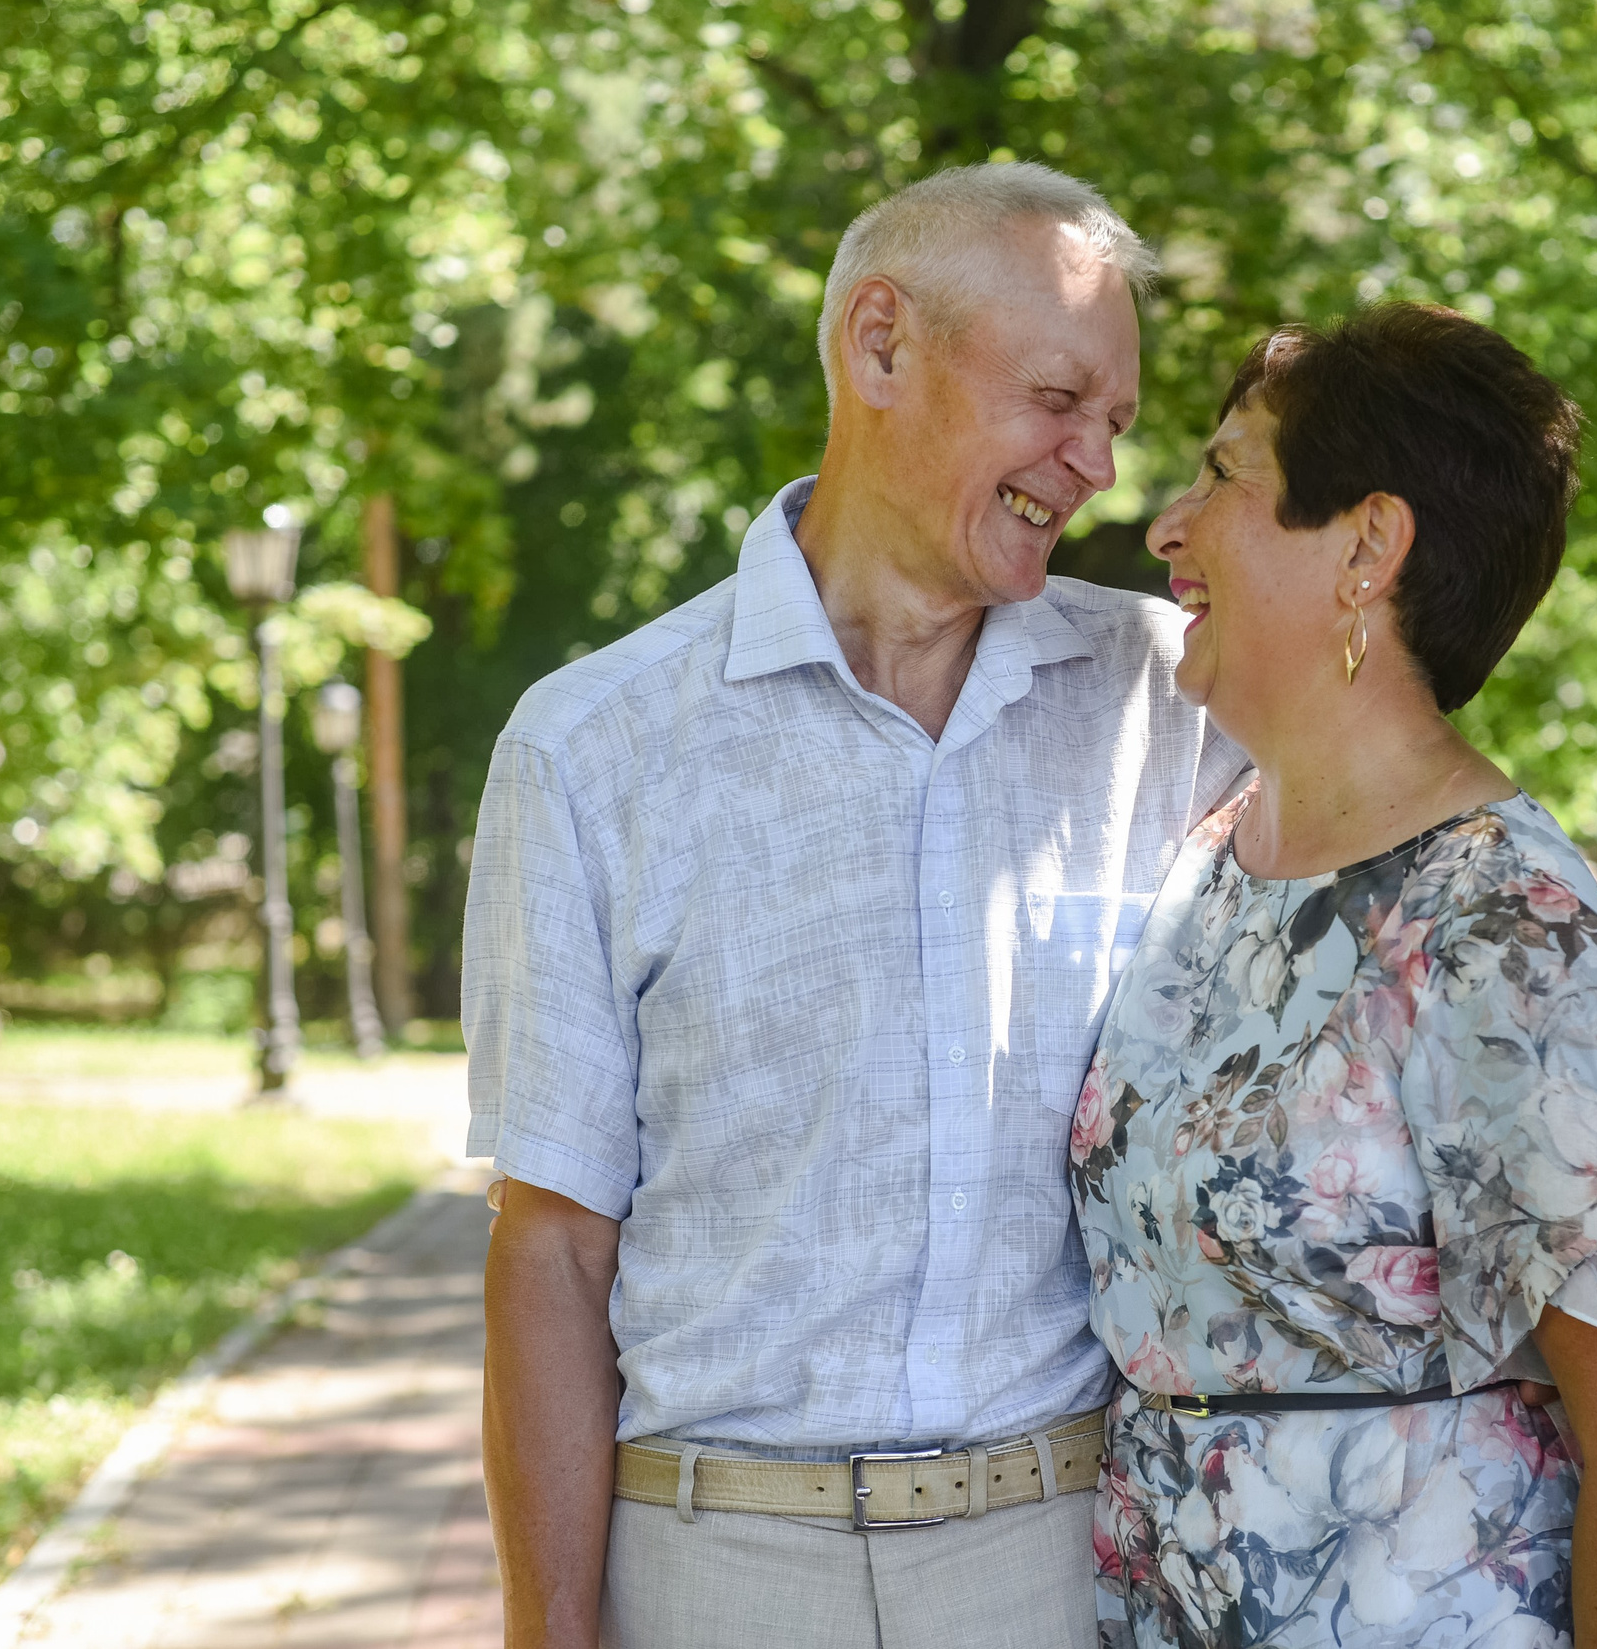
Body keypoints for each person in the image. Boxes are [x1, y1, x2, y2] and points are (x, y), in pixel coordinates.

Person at [465, 163, 1245, 1648]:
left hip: (1058, 1556)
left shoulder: (1181, 701)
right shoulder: (592, 746)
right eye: (1060, 399)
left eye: (1121, 426)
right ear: (880, 346)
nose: (1099, 466)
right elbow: (555, 1246)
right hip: (711, 1561)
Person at [1073, 304, 1597, 1649]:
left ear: (1368, 545)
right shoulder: (1209, 856)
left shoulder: (1508, 930)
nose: (1167, 524)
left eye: (1225, 474)